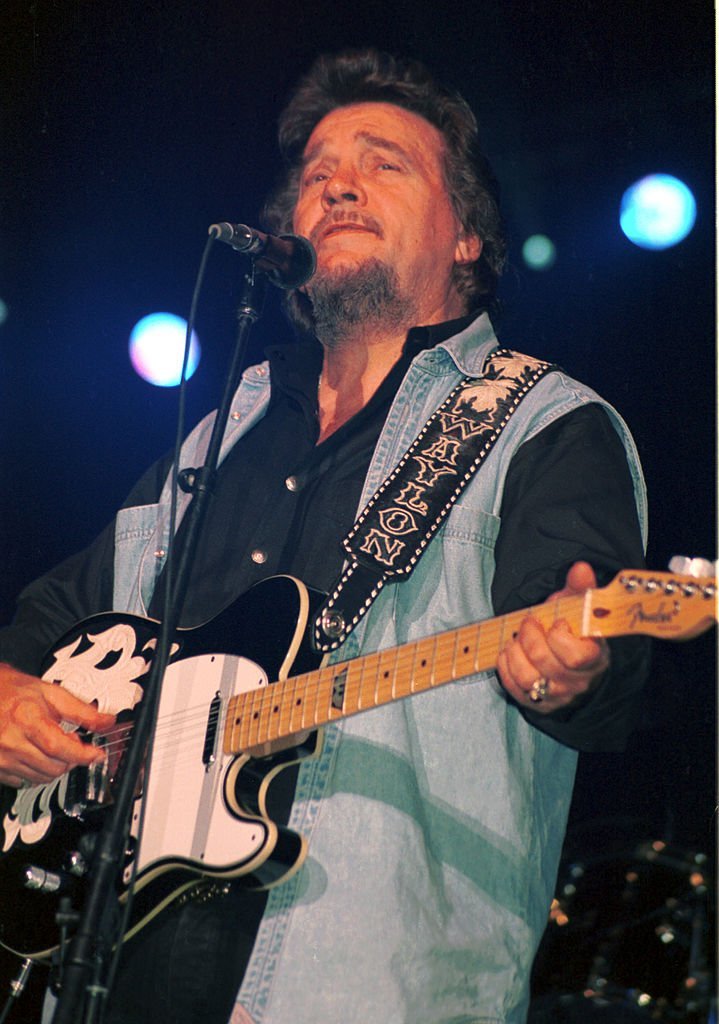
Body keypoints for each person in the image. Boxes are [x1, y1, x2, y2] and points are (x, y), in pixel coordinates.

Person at [0, 48, 649, 1024]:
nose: (339, 181)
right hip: (106, 974)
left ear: (467, 234)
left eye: (384, 162)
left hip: (356, 985)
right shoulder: (222, 429)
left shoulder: (540, 422)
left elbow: (598, 678)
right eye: (316, 175)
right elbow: (57, 617)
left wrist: (569, 664)